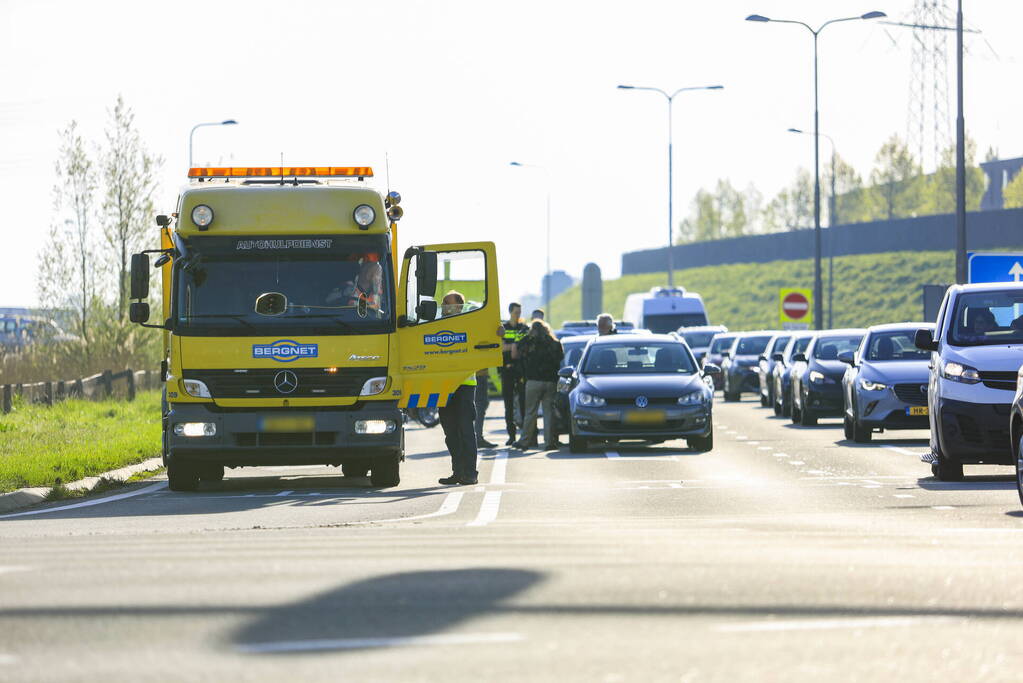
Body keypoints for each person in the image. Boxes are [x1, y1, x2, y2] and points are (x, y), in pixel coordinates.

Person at [437, 291, 479, 485]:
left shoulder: (468, 324)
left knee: (466, 431)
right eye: (443, 302)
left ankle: (470, 473)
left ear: (458, 306)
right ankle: (458, 472)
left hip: (464, 384)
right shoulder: (436, 326)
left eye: (447, 302)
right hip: (444, 385)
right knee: (450, 432)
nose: (443, 305)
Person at [514, 319, 564, 451]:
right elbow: (560, 358)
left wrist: (527, 336)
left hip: (533, 381)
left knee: (530, 412)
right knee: (548, 412)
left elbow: (518, 349)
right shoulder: (555, 343)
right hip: (550, 381)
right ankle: (549, 442)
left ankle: (525, 441)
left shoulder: (529, 342)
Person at [500, 302, 529, 446]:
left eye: (519, 312)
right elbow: (500, 347)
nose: (518, 315)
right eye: (516, 312)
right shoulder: (503, 328)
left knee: (524, 403)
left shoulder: (523, 328)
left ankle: (525, 435)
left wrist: (510, 346)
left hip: (521, 370)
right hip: (506, 370)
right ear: (510, 312)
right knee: (509, 405)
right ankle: (511, 436)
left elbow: (527, 346)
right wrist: (514, 346)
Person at [474, 368, 496, 448]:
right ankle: (478, 438)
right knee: (480, 407)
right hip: (478, 375)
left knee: (481, 406)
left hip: (479, 375)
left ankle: (477, 437)